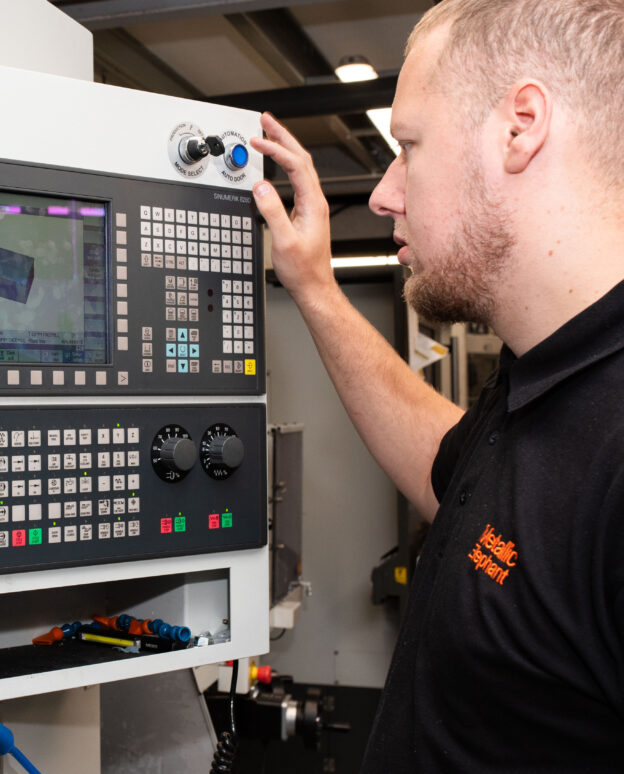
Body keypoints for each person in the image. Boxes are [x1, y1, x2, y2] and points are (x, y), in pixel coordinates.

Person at [250, 0, 624, 769]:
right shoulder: (547, 369)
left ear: (522, 127)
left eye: (409, 145)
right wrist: (315, 288)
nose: (384, 194)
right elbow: (456, 482)